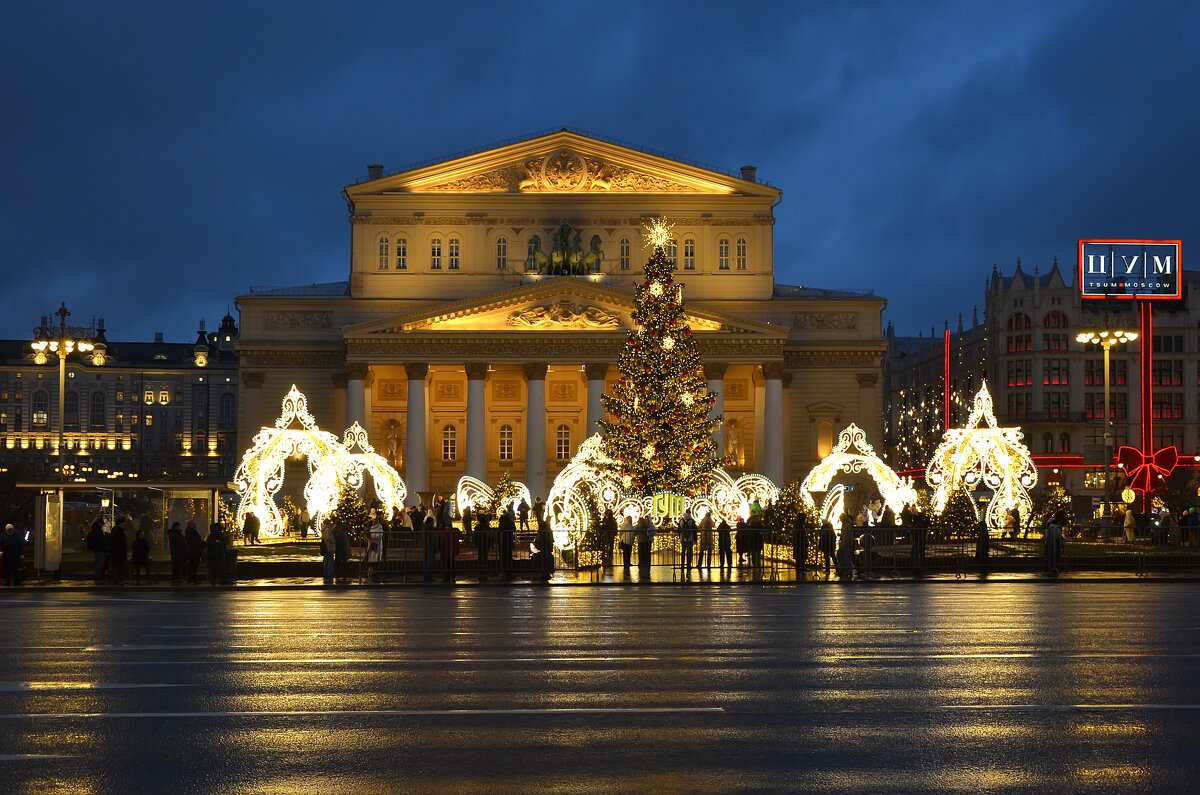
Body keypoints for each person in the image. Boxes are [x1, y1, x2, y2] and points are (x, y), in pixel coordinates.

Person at [110, 515, 130, 586]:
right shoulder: (117, 532)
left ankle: (118, 580)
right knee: (119, 567)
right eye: (124, 524)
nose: (125, 526)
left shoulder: (118, 531)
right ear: (120, 524)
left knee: (119, 567)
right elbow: (117, 544)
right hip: (118, 554)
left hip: (118, 553)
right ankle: (118, 580)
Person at [87, 516, 107, 582]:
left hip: (96, 549)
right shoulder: (98, 531)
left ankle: (97, 574)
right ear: (100, 524)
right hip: (100, 548)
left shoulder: (95, 530)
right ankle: (97, 575)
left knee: (97, 562)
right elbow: (100, 540)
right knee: (100, 562)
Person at [498, 506, 516, 578]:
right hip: (508, 541)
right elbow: (513, 529)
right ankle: (508, 571)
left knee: (503, 556)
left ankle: (503, 570)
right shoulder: (510, 523)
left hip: (502, 541)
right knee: (508, 556)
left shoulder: (502, 522)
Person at [184, 520, 204, 584]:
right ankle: (192, 579)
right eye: (194, 524)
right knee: (193, 566)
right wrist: (200, 541)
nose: (195, 525)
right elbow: (194, 541)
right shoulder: (191, 532)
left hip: (193, 552)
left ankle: (191, 579)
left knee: (192, 566)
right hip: (194, 552)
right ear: (191, 525)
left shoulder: (189, 531)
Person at [475, 509, 492, 579]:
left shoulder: (478, 527)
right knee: (485, 554)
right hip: (485, 542)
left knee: (481, 554)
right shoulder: (486, 527)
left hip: (480, 542)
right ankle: (484, 566)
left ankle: (480, 566)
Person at [679, 509, 697, 574]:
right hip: (690, 538)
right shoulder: (691, 521)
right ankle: (689, 564)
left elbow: (679, 529)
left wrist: (680, 537)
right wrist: (695, 539)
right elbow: (695, 530)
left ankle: (682, 564)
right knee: (689, 552)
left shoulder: (681, 520)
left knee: (683, 551)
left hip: (683, 538)